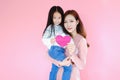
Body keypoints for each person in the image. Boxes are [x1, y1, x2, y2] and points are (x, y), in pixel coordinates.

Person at [42, 6, 73, 80]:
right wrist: (50, 41)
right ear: (51, 17)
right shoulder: (50, 27)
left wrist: (70, 45)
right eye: (54, 18)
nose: (57, 20)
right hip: (54, 50)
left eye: (59, 18)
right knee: (68, 67)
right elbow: (43, 38)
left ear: (62, 18)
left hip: (61, 51)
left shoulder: (62, 27)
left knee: (54, 68)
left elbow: (67, 38)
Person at [57, 10, 89, 80]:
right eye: (65, 22)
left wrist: (72, 54)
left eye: (71, 21)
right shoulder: (63, 38)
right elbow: (50, 54)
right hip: (59, 75)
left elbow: (82, 66)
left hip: (72, 77)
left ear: (77, 22)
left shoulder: (81, 40)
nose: (68, 25)